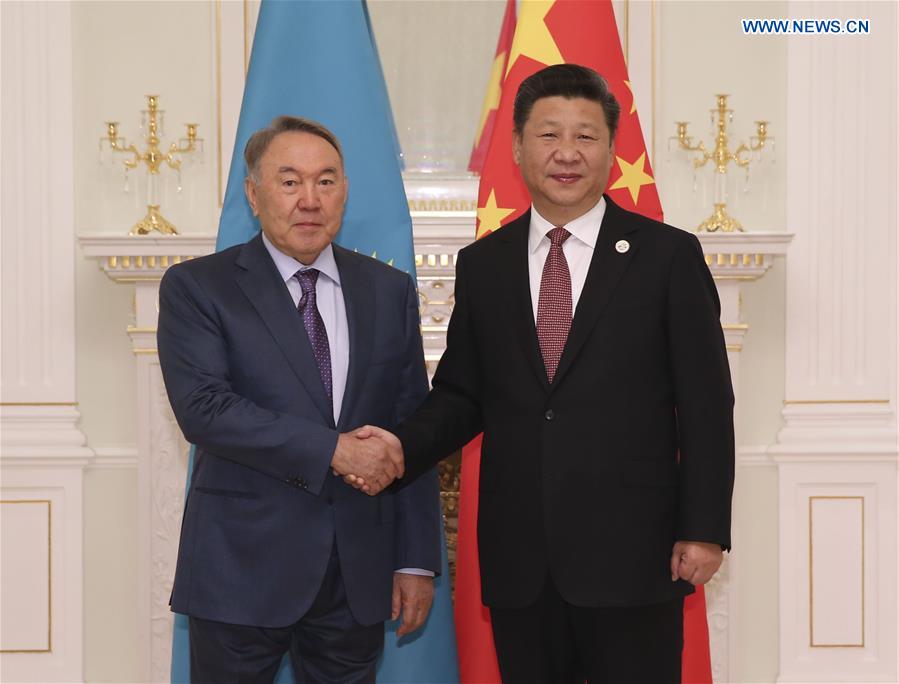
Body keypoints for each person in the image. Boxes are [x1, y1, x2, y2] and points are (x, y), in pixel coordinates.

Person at [349, 64, 735, 683]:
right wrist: (398, 446)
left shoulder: (667, 257)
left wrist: (705, 528)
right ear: (518, 147)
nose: (567, 153)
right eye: (549, 135)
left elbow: (708, 405)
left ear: (611, 149)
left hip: (636, 556)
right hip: (521, 562)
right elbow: (462, 393)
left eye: (585, 136)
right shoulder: (485, 264)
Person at [156, 115, 441, 684]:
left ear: (345, 192)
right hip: (240, 570)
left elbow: (410, 425)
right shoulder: (198, 287)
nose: (309, 199)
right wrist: (334, 450)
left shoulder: (388, 291)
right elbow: (205, 410)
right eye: (289, 182)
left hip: (357, 572)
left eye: (326, 181)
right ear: (254, 194)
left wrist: (415, 559)